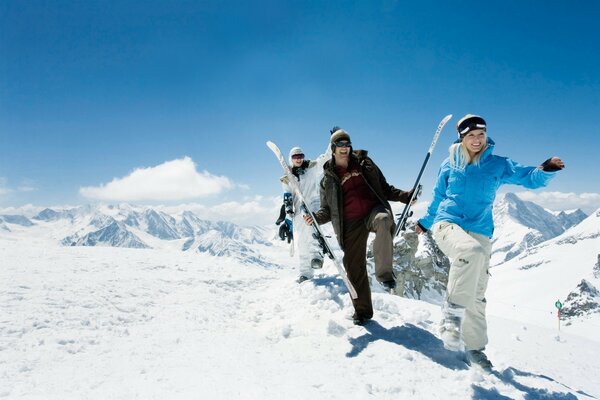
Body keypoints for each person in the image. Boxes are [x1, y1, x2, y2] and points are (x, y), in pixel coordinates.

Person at [416, 114, 565, 370]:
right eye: (471, 135)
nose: (476, 140)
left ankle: (474, 349)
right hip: (448, 223)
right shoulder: (449, 163)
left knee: (476, 294)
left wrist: (545, 170)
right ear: (462, 138)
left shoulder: (498, 164)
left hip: (481, 230)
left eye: (480, 135)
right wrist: (426, 222)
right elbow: (439, 195)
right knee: (469, 252)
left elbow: (528, 176)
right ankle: (451, 317)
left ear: (486, 136)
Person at [305, 127, 414, 325]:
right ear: (333, 148)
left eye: (347, 144)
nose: (344, 148)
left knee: (384, 220)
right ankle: (362, 312)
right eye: (340, 144)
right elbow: (327, 210)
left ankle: (384, 274)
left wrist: (405, 196)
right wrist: (315, 218)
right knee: (353, 266)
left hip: (373, 210)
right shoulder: (327, 180)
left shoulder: (365, 164)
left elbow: (385, 188)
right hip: (351, 223)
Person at [279, 146, 328, 283]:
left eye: (300, 156)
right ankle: (306, 273)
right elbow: (287, 194)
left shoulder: (312, 167)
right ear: (291, 159)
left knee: (311, 225)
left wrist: (333, 142)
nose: (298, 159)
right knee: (302, 242)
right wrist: (288, 209)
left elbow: (325, 158)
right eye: (295, 157)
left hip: (314, 202)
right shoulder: (287, 177)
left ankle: (316, 254)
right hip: (298, 208)